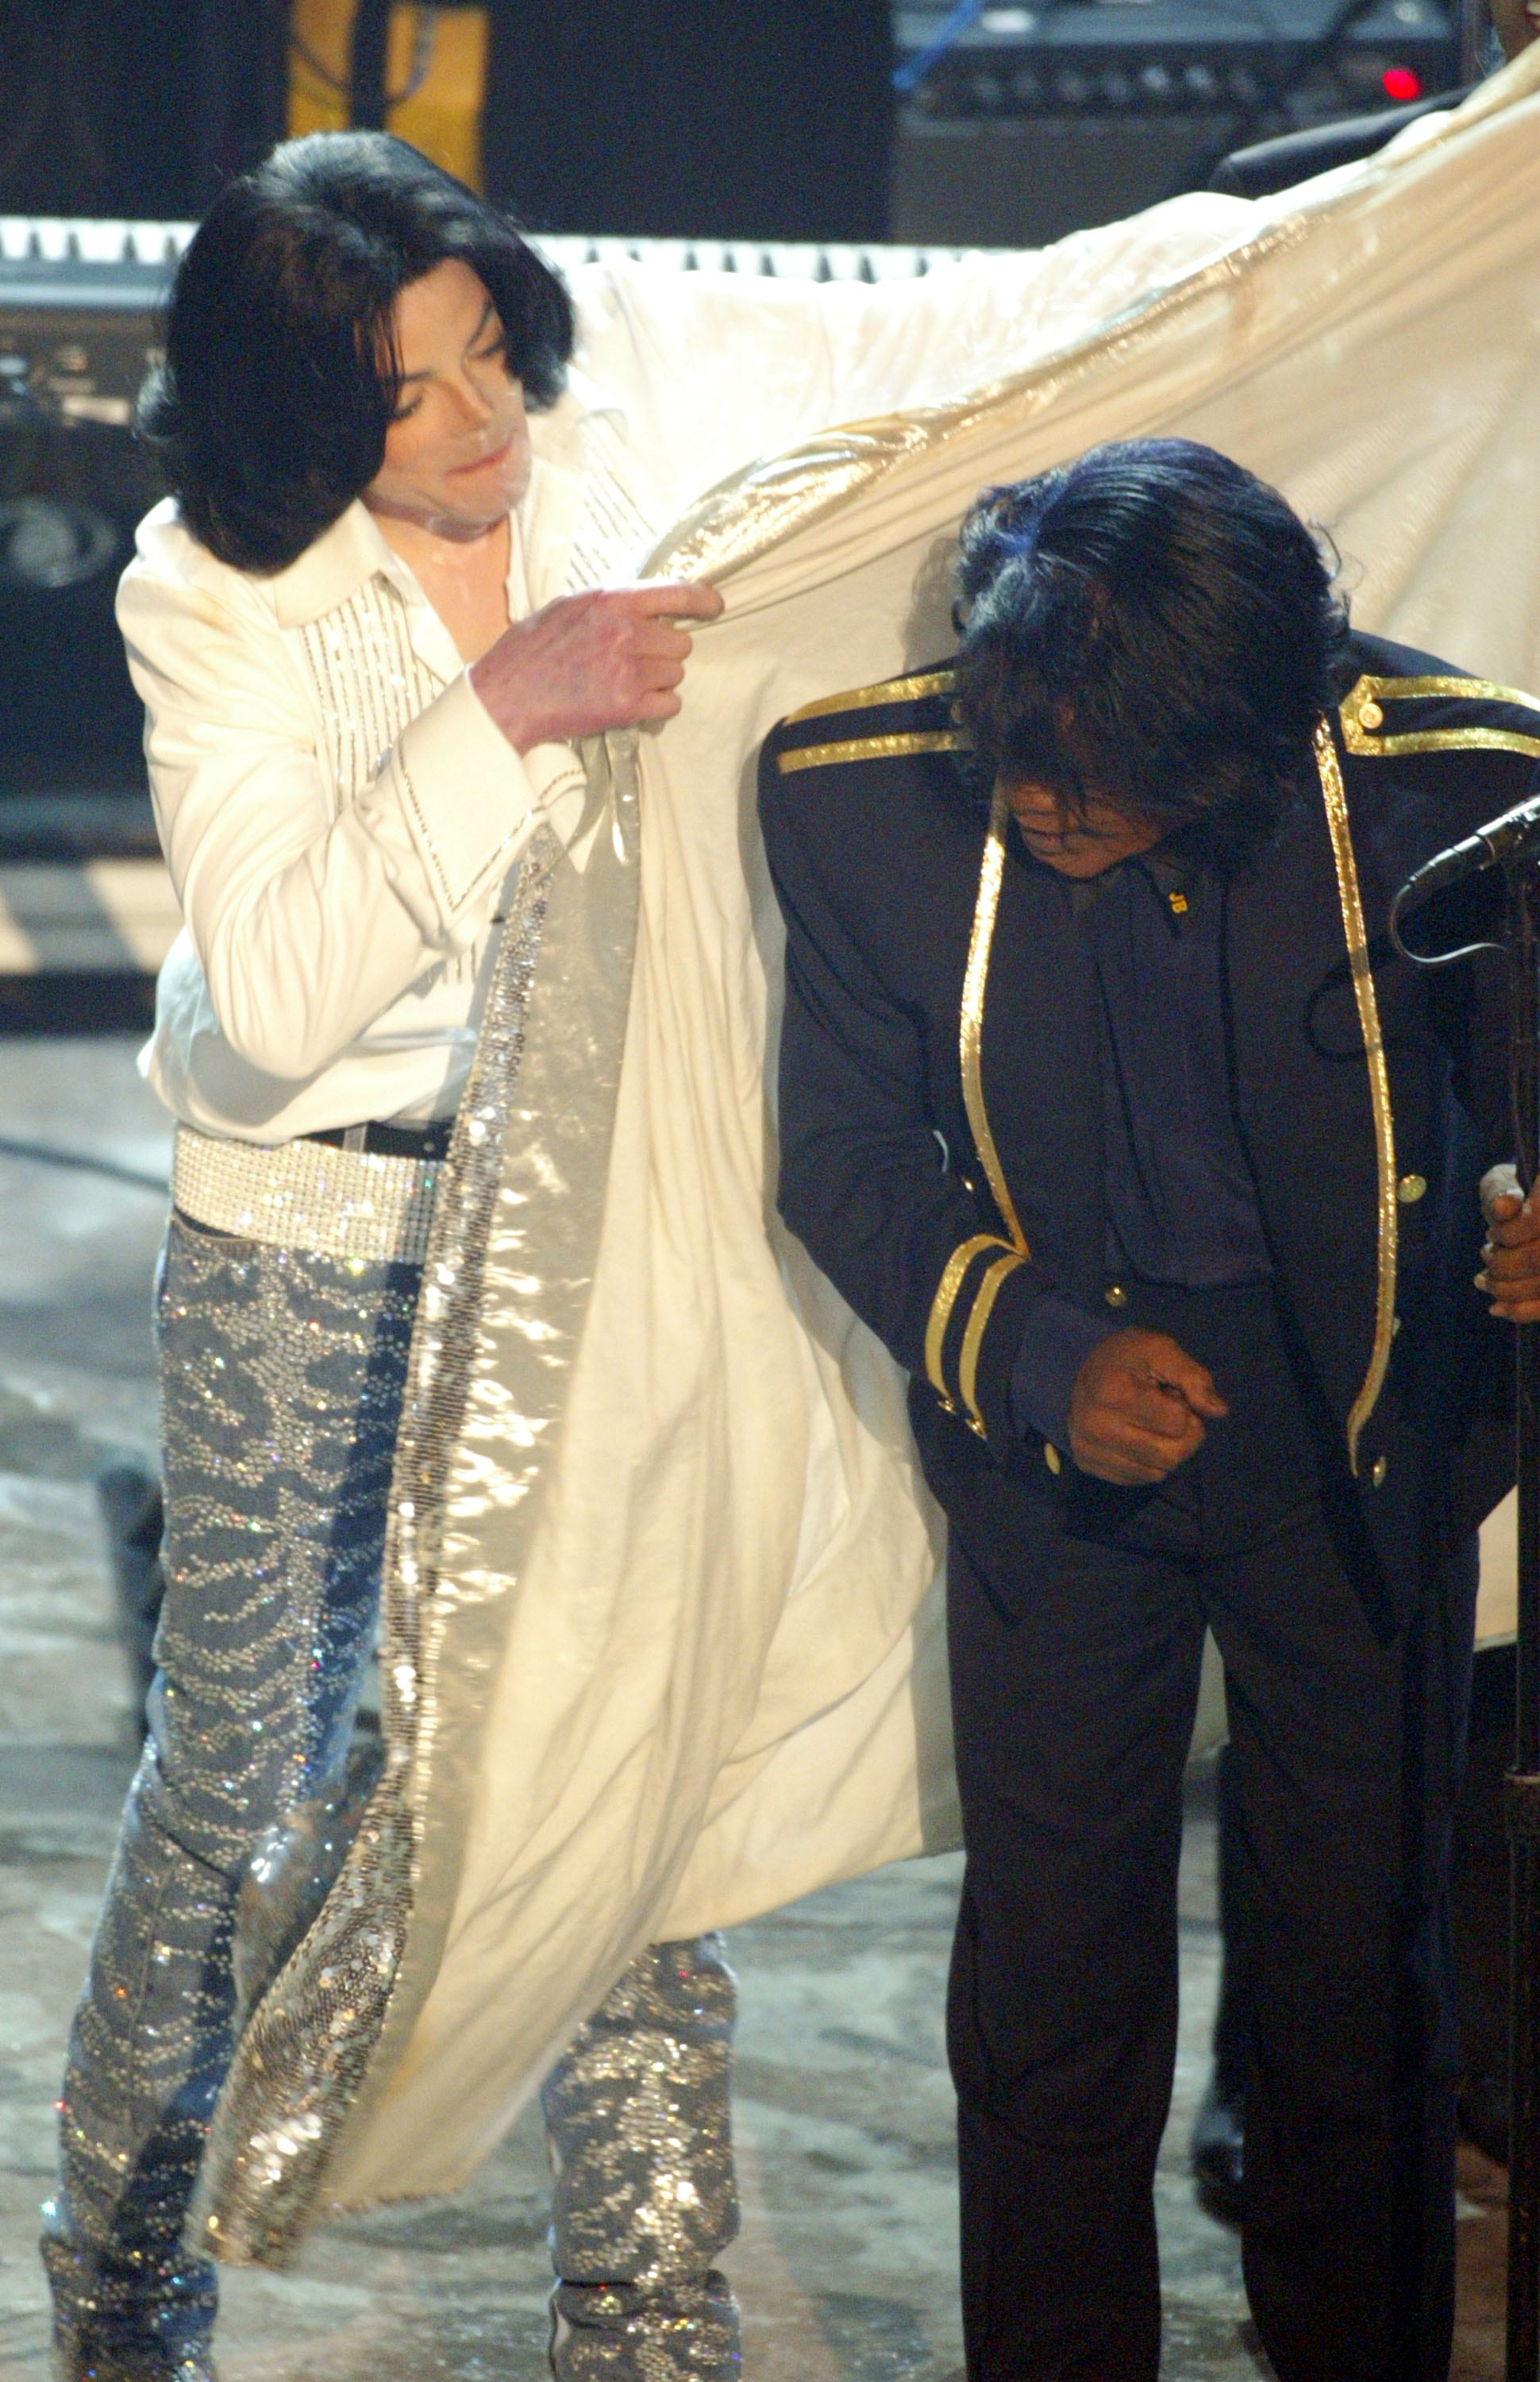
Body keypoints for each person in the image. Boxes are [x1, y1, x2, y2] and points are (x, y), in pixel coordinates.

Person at [43, 131, 1273, 2382]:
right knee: (243, 1792)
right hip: (307, 1226)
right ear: (306, 412)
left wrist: (1286, 231)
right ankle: (124, 2291)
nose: (480, 420)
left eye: (487, 351)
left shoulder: (640, 416)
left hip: (597, 1201)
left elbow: (958, 348)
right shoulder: (201, 594)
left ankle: (645, 2325)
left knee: (626, 1756)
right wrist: (508, 704)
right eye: (409, 392)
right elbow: (287, 992)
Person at [759, 437, 1540, 2380]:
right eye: (1014, 751)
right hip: (1059, 1461)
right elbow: (843, 1149)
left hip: (1367, 1436)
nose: (1035, 802)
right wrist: (1033, 1350)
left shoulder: (1460, 779)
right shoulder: (861, 806)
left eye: (1095, 774)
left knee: (1357, 1988)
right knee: (1048, 2001)